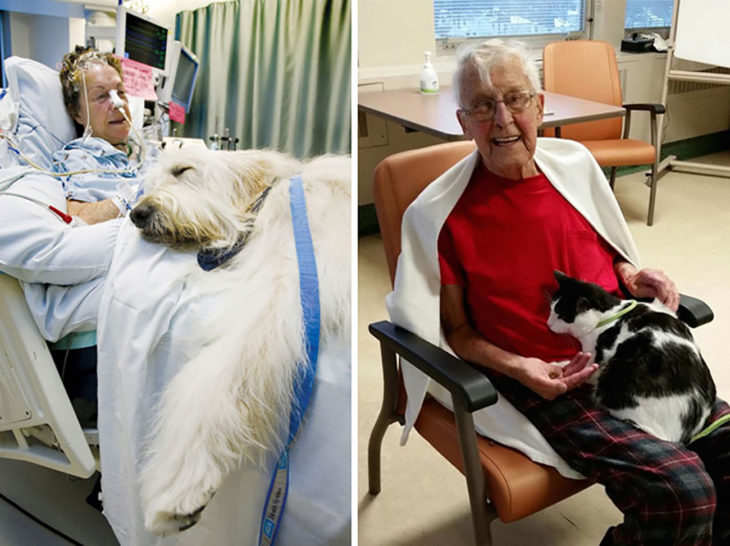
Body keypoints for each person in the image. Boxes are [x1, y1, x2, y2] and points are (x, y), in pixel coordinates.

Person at [387, 40, 729, 545]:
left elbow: (602, 245)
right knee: (681, 491)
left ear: (540, 105)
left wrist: (630, 273)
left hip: (627, 355)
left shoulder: (574, 168)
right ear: (464, 121)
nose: (502, 119)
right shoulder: (439, 216)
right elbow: (455, 332)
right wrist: (517, 366)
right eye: (483, 105)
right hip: (543, 380)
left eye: (515, 99)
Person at [0, 47, 147, 424]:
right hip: (89, 343)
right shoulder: (80, 157)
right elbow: (75, 218)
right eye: (101, 96)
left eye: (120, 92)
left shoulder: (128, 156)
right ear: (77, 114)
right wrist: (135, 196)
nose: (117, 104)